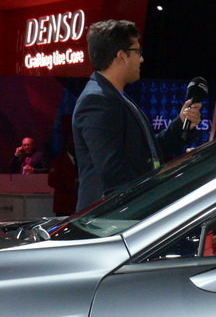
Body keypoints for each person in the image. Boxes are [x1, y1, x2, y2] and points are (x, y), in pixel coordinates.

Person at [72, 19, 202, 209]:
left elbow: (150, 153)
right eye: (137, 52)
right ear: (121, 56)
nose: (141, 59)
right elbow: (112, 170)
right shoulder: (97, 100)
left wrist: (180, 123)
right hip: (110, 218)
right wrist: (150, 199)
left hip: (125, 214)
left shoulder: (117, 96)